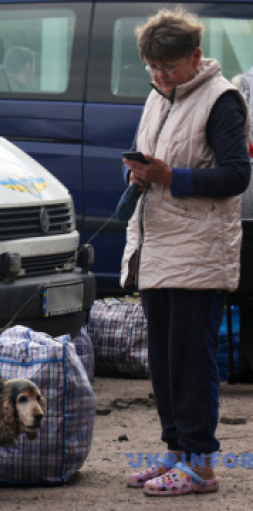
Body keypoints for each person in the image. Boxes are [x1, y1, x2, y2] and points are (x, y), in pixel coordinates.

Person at [121, 7, 251, 497]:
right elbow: (151, 155)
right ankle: (177, 454)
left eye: (169, 67)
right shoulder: (158, 96)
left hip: (200, 249)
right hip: (157, 245)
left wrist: (170, 177)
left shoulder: (222, 101)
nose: (160, 76)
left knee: (193, 362)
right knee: (165, 362)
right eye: (152, 68)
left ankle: (201, 467)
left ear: (195, 57)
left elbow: (238, 175)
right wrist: (137, 173)